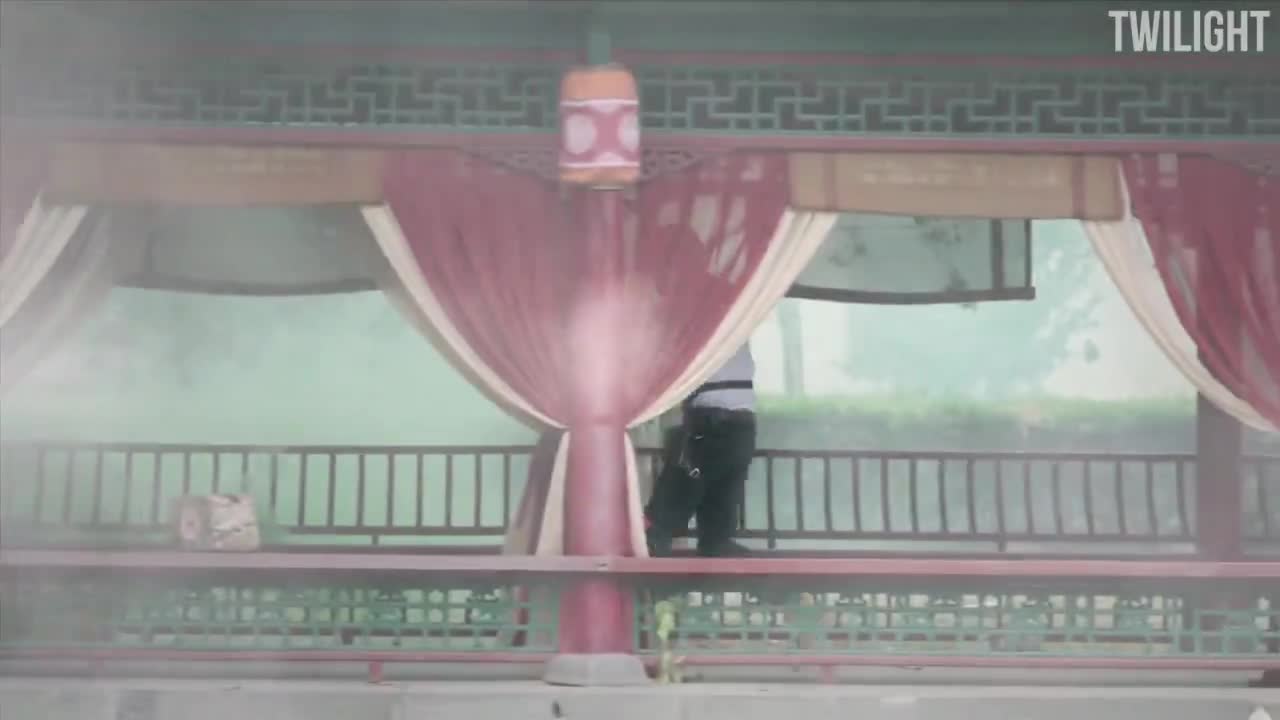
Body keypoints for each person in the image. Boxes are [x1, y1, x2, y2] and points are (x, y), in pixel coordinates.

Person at [644, 343, 757, 558]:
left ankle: (660, 542)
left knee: (677, 503)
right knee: (711, 504)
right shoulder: (733, 334)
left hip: (715, 424)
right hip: (733, 425)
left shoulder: (713, 335)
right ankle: (713, 542)